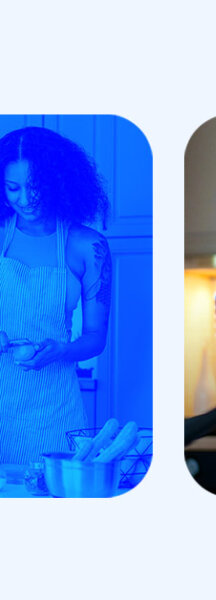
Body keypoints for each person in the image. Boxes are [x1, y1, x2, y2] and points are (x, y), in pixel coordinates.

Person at [0, 127, 112, 466]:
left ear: (59, 182)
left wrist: (62, 349)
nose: (24, 199)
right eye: (12, 188)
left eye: (35, 187)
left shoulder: (87, 246)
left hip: (53, 407)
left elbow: (95, 339)